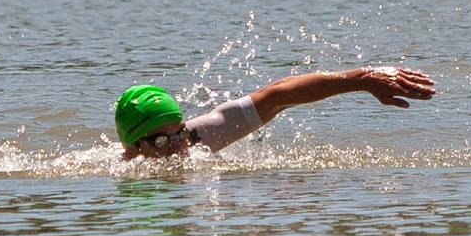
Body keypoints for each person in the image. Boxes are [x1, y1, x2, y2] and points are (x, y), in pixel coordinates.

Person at [116, 66, 436, 160]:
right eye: (161, 144)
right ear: (132, 150)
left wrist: (362, 79)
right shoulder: (124, 177)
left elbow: (276, 95)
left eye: (180, 133)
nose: (179, 147)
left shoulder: (198, 138)